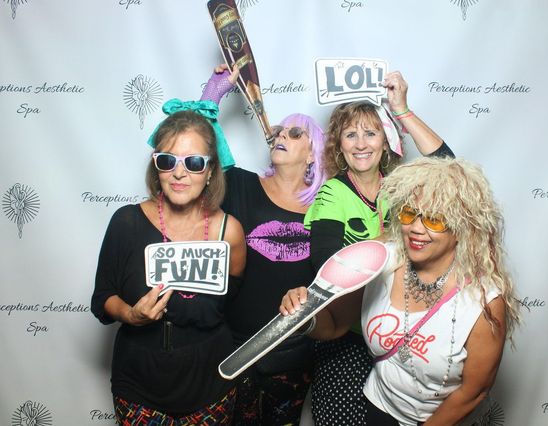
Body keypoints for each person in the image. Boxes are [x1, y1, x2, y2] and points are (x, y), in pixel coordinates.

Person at [282, 156, 521, 426]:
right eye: (409, 213)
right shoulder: (381, 260)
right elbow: (334, 326)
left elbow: (472, 392)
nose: (416, 228)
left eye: (434, 219)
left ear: (461, 227)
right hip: (375, 408)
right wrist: (304, 316)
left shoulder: (484, 301)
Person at [302, 71, 454, 425]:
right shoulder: (332, 195)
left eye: (370, 133)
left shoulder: (401, 189)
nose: (360, 143)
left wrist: (400, 110)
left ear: (386, 142)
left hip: (403, 333)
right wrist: (389, 245)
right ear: (338, 144)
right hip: (349, 339)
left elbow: (450, 168)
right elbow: (326, 272)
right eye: (350, 134)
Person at [91, 109, 246, 425]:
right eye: (167, 160)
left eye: (193, 162)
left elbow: (234, 303)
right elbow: (102, 298)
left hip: (210, 381)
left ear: (211, 171)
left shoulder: (229, 232)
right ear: (156, 166)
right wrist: (131, 315)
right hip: (139, 382)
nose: (179, 173)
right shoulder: (126, 221)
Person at [202, 65, 328, 425]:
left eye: (294, 132)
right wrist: (214, 93)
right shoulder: (241, 185)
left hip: (292, 356)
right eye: (278, 130)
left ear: (312, 154)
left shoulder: (328, 206)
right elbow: (201, 151)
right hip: (233, 349)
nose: (280, 135)